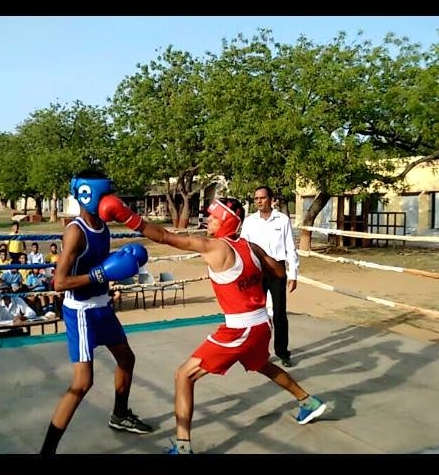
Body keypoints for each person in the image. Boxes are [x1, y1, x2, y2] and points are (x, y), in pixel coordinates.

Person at [98, 194, 327, 454]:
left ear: (227, 221)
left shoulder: (214, 247)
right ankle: (308, 402)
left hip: (239, 328)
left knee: (183, 376)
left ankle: (183, 448)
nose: (208, 220)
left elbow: (164, 236)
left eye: (214, 217)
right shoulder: (251, 247)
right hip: (261, 325)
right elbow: (279, 271)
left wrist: (126, 215)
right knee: (262, 365)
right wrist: (251, 279)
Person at [39, 169, 154, 456]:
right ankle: (47, 450)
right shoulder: (75, 232)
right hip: (80, 312)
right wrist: (100, 274)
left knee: (127, 358)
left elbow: (102, 272)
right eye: (105, 194)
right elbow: (59, 282)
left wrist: (117, 267)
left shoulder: (103, 227)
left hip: (102, 306)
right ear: (88, 195)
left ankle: (119, 415)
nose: (110, 199)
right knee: (83, 382)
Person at [239, 186, 299, 367]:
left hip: (277, 269)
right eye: (256, 198)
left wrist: (293, 274)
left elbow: (290, 248)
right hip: (257, 271)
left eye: (262, 198)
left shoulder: (282, 220)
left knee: (279, 313)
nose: (258, 201)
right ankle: (257, 352)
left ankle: (282, 352)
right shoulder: (249, 222)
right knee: (256, 313)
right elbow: (243, 247)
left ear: (271, 199)